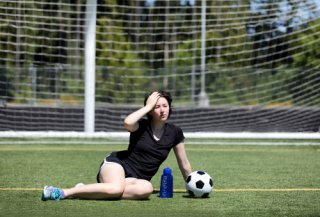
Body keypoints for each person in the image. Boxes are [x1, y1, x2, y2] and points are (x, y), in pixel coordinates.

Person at [42, 90, 192, 201]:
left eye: (165, 106)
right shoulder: (141, 125)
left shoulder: (175, 132)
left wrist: (191, 184)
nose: (161, 110)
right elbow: (127, 122)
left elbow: (183, 163)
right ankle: (64, 192)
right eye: (156, 106)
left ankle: (86, 189)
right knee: (116, 188)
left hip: (137, 180)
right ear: (150, 110)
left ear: (169, 107)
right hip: (117, 164)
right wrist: (148, 106)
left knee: (147, 189)